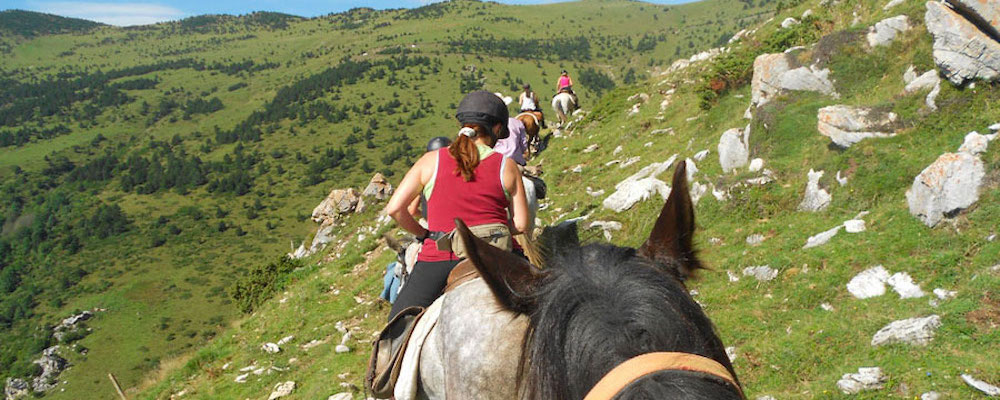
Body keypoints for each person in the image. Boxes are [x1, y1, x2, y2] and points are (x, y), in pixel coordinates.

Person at [385, 90, 530, 320]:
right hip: (499, 255)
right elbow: (521, 224)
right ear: (495, 129)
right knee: (546, 308)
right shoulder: (507, 165)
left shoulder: (431, 161)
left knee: (396, 327)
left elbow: (395, 209)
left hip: (442, 257)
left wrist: (425, 234)